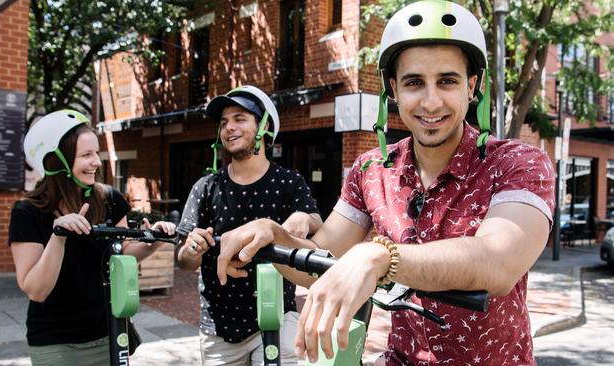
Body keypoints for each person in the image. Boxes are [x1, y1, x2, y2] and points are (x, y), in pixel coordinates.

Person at [215, 1, 556, 365]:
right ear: (392, 89)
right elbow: (321, 260)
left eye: (447, 80)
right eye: (413, 82)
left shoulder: (518, 162)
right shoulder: (371, 169)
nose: (430, 100)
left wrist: (379, 256)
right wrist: (273, 235)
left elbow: (499, 263)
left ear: (473, 86)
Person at [8, 110, 176, 365]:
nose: (97, 162)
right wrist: (59, 236)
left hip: (110, 334)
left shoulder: (109, 200)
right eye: (86, 155)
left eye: (96, 153)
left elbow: (122, 254)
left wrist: (153, 241)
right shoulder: (27, 212)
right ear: (57, 161)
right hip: (56, 344)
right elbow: (36, 290)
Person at [175, 85, 323, 365]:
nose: (229, 127)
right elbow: (183, 261)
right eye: (223, 122)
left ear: (264, 126)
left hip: (278, 318)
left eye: (239, 118)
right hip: (219, 328)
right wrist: (191, 250)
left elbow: (318, 223)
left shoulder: (290, 183)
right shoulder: (206, 188)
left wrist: (306, 218)